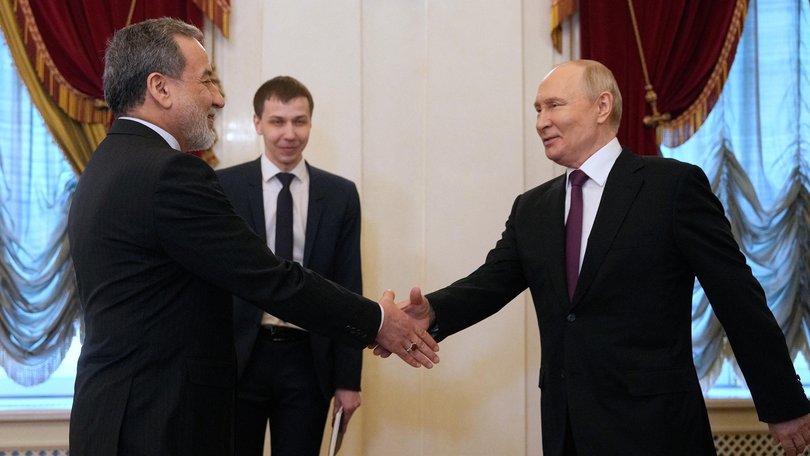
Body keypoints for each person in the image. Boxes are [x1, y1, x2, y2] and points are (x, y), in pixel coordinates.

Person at [389, 59, 810, 455]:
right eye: (537, 109)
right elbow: (490, 282)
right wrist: (434, 311)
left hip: (655, 428)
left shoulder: (672, 187)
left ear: (602, 106)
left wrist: (782, 401)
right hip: (567, 428)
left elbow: (737, 297)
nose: (541, 122)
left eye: (554, 105)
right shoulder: (532, 207)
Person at [67, 18, 438, 456]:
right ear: (160, 88)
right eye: (206, 79)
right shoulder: (171, 173)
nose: (219, 98)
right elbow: (271, 279)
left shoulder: (107, 162)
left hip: (113, 415)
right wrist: (379, 321)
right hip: (157, 422)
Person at [217, 76, 364, 456]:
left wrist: (349, 380)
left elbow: (349, 286)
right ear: (257, 123)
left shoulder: (340, 195)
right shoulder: (224, 187)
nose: (289, 133)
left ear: (311, 123)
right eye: (277, 121)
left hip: (308, 361)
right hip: (238, 359)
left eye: (299, 121)